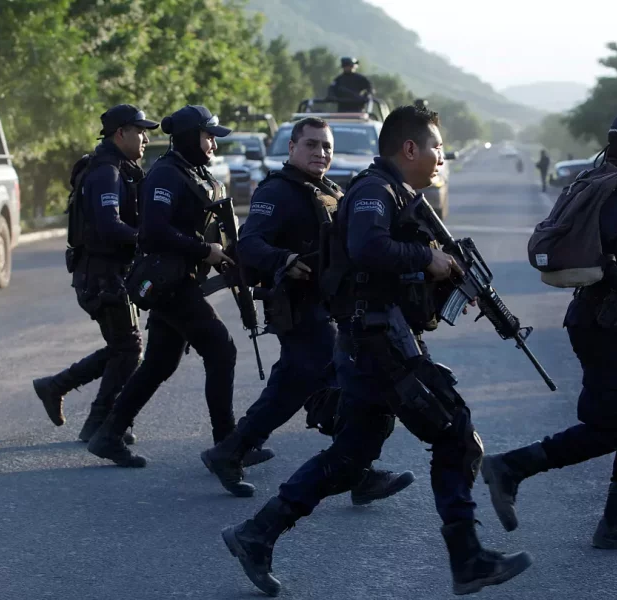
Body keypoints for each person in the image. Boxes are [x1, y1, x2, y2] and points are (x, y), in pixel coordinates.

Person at [221, 105, 531, 597]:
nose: (440, 159)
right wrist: (427, 257)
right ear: (408, 149)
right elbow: (368, 249)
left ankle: (256, 533)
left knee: (351, 456)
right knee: (453, 432)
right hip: (376, 341)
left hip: (373, 338)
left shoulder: (395, 193)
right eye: (435, 149)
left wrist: (441, 273)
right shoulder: (373, 191)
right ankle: (467, 558)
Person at [482, 107, 617, 551]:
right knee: (610, 426)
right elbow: (607, 238)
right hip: (604, 322)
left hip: (616, 321)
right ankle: (510, 468)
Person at [200, 116, 415, 504]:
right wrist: (283, 259)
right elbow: (248, 244)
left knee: (293, 386)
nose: (321, 153)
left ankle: (229, 451)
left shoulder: (327, 189)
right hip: (297, 306)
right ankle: (357, 473)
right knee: (338, 384)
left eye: (327, 147)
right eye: (312, 145)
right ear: (293, 148)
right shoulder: (277, 191)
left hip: (326, 304)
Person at [87, 105, 248, 485]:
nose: (212, 144)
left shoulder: (192, 171)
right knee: (222, 350)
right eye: (208, 136)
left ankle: (109, 434)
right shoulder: (166, 173)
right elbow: (154, 232)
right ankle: (226, 444)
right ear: (191, 137)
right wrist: (202, 250)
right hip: (168, 282)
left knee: (160, 363)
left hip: (181, 279)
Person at [33, 104, 158, 444]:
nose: (146, 137)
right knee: (129, 349)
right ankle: (98, 422)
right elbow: (108, 225)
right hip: (101, 275)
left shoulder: (120, 167)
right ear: (121, 133)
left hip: (110, 272)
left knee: (123, 348)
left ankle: (57, 387)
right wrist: (148, 238)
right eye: (140, 130)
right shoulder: (107, 172)